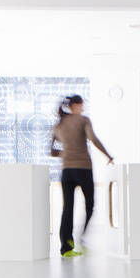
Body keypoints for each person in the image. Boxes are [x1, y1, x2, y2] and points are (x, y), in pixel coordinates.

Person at [50, 95, 113, 257]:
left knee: (67, 209)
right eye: (81, 105)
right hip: (83, 168)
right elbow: (93, 139)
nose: (82, 108)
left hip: (67, 171)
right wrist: (108, 156)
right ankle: (81, 238)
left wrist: (67, 153)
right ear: (76, 105)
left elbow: (52, 152)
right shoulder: (83, 120)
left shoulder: (59, 125)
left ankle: (66, 248)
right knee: (90, 204)